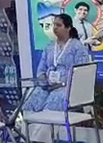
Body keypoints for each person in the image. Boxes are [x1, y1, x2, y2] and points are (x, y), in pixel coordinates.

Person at [23, 13, 91, 142]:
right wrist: (44, 81)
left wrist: (62, 84)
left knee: (50, 107)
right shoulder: (49, 47)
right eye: (54, 25)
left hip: (68, 89)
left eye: (58, 25)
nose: (55, 28)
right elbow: (41, 69)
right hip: (48, 86)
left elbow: (81, 74)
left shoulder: (78, 47)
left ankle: (39, 140)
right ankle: (25, 139)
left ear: (68, 28)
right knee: (30, 103)